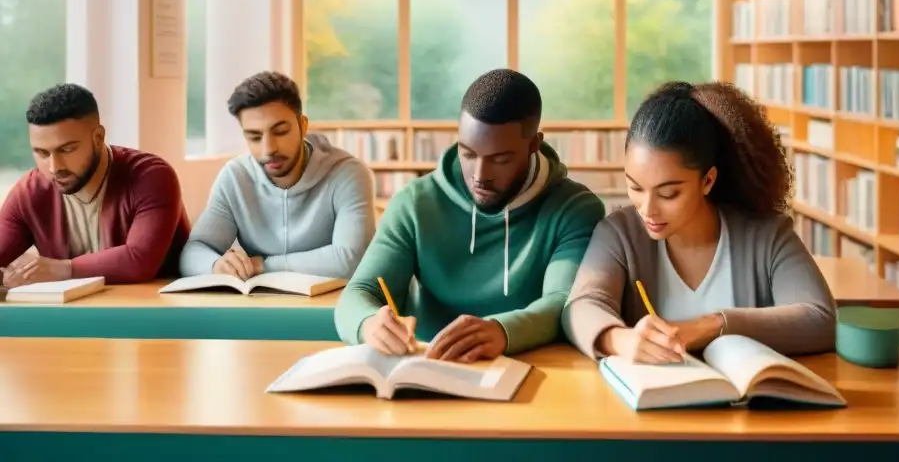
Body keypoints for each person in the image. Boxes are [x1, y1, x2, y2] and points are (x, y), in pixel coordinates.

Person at [335, 68, 605, 362]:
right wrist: (368, 323)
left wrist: (502, 331)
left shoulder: (575, 209)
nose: (479, 176)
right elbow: (359, 292)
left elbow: (565, 303)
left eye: (500, 159)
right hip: (423, 370)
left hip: (528, 372)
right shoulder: (414, 204)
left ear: (533, 145)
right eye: (468, 153)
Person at [562, 81, 836, 363]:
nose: (647, 209)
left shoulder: (766, 235)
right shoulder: (620, 233)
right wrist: (620, 339)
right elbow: (581, 306)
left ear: (707, 180)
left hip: (750, 404)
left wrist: (709, 326)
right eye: (635, 187)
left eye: (669, 193)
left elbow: (820, 318)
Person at [179, 71, 374, 280]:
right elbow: (195, 250)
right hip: (261, 305)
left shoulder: (347, 174)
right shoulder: (235, 178)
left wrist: (264, 265)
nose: (268, 149)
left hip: (330, 306)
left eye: (280, 132)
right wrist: (216, 265)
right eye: (255, 137)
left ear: (303, 126)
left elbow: (352, 259)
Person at [0, 83, 190, 287]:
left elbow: (139, 260)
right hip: (71, 316)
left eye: (66, 149)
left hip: (156, 311)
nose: (54, 167)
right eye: (42, 153)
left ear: (98, 137)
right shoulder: (29, 193)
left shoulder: (151, 177)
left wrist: (62, 269)